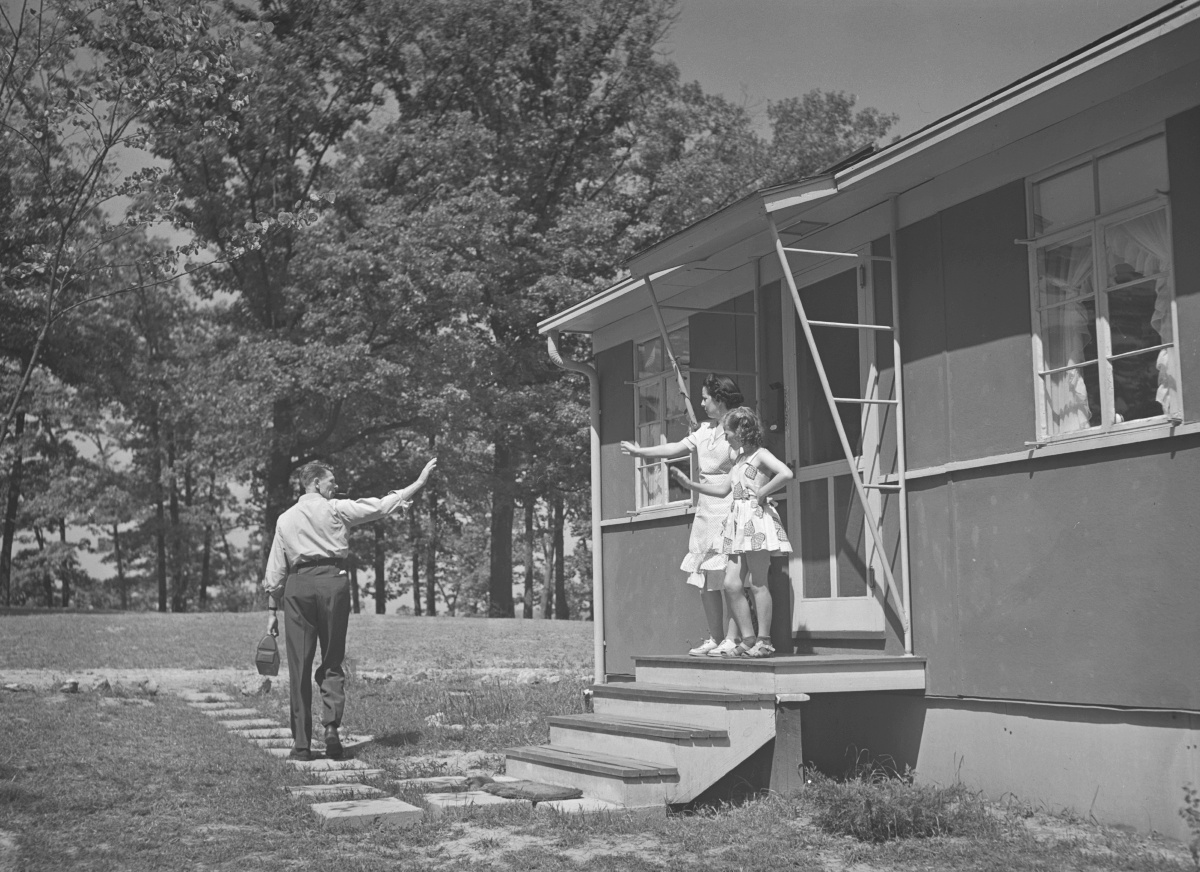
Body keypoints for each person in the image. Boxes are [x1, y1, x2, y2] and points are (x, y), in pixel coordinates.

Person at [262, 457, 437, 760]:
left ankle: (301, 745)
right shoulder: (336, 509)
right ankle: (331, 731)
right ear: (316, 483)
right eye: (331, 481)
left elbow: (276, 569)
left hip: (297, 586)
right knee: (331, 659)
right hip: (332, 582)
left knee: (299, 668)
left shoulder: (285, 519)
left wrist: (271, 612)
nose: (336, 485)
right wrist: (418, 483)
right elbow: (379, 507)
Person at [621, 375, 743, 656]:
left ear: (719, 398)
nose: (701, 403)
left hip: (729, 503)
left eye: (705, 398)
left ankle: (733, 639)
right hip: (706, 507)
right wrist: (641, 451)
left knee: (729, 578)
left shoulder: (738, 425)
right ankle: (715, 637)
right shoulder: (704, 430)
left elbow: (748, 460)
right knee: (705, 577)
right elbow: (674, 447)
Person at [671, 406, 792, 658]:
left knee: (758, 582)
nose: (725, 437)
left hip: (755, 520)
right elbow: (723, 490)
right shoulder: (738, 460)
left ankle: (764, 641)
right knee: (731, 583)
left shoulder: (761, 455)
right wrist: (689, 484)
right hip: (737, 520)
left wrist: (762, 491)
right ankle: (748, 638)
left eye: (728, 433)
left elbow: (786, 473)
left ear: (741, 431)